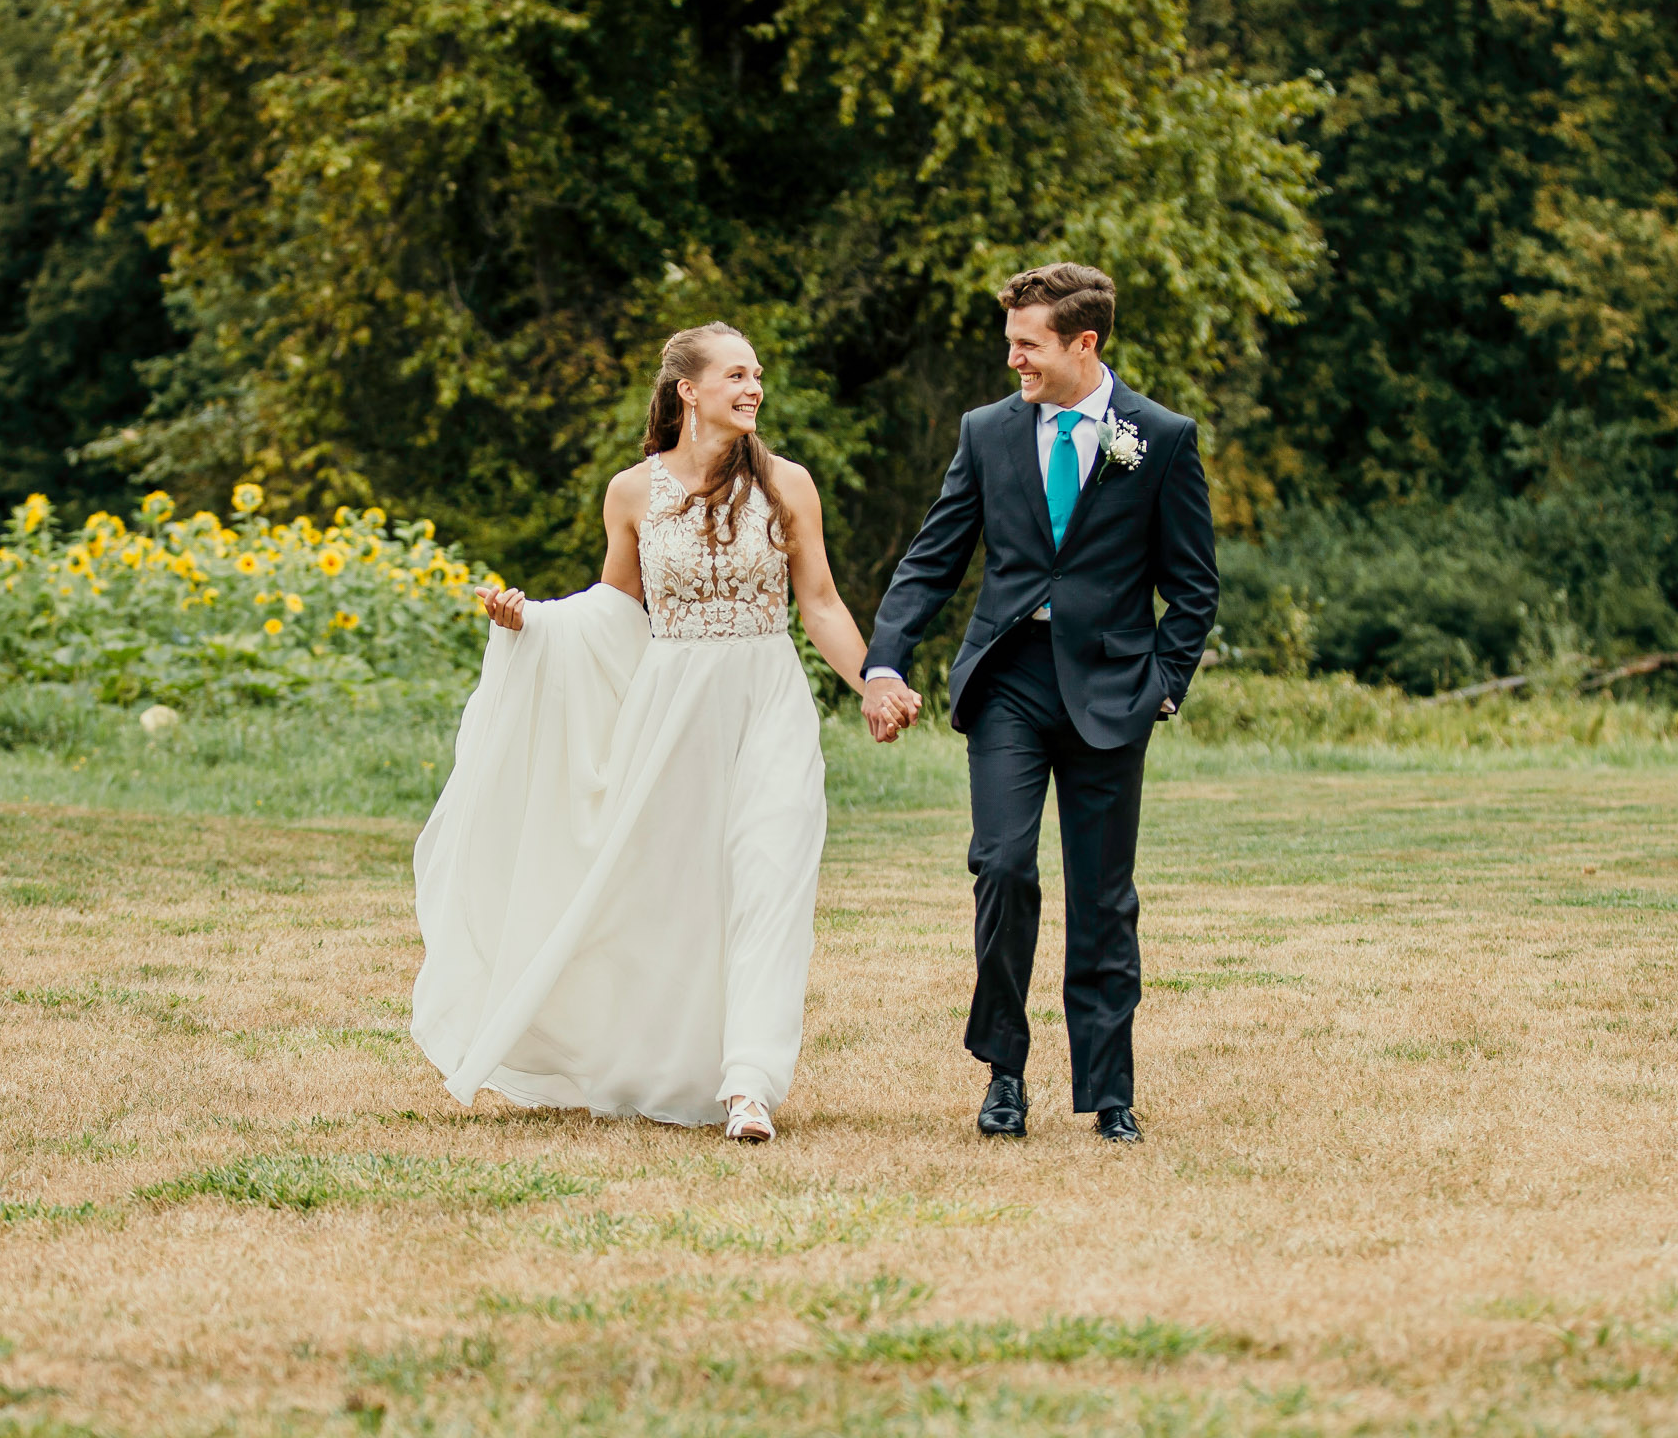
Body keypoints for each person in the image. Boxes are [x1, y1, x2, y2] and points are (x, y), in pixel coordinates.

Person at [410, 322, 921, 1143]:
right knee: (675, 895)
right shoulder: (631, 492)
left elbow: (819, 602)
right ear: (688, 390)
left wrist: (874, 683)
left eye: (757, 375)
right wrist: (529, 624)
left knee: (771, 876)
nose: (752, 388)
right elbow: (613, 612)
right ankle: (657, 1060)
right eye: (734, 375)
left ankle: (750, 1083)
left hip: (769, 697)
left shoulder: (787, 483)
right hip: (672, 705)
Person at [860, 263, 1219, 1143]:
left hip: (1110, 688)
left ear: (1082, 343)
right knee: (1004, 866)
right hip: (1010, 681)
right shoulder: (986, 433)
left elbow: (1194, 585)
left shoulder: (1160, 437)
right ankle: (1004, 1073)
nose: (1013, 359)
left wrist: (1165, 686)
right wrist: (883, 662)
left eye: (1029, 344)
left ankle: (1109, 1092)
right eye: (1012, 342)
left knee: (1104, 895)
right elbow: (933, 558)